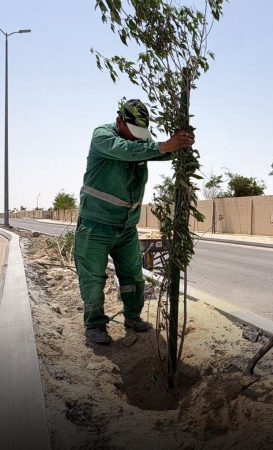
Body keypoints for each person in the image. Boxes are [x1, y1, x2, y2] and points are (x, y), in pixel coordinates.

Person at [76, 98, 194, 345]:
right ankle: (95, 325)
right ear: (119, 121)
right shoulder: (103, 136)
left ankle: (132, 316)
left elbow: (159, 151)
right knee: (93, 278)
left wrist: (180, 143)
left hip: (126, 227)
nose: (135, 138)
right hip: (96, 225)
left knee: (133, 275)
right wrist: (164, 146)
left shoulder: (139, 143)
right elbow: (126, 150)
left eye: (139, 134)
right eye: (131, 132)